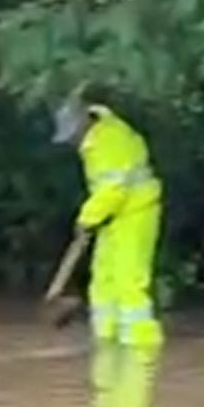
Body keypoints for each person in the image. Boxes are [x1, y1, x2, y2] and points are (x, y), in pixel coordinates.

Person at [53, 92, 166, 348]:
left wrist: (87, 218)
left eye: (72, 134)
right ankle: (106, 342)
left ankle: (141, 349)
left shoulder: (111, 139)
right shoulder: (93, 141)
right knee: (103, 281)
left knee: (129, 282)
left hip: (136, 214)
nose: (71, 140)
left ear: (83, 122)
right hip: (111, 218)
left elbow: (114, 189)